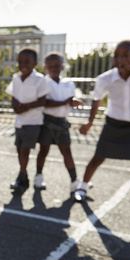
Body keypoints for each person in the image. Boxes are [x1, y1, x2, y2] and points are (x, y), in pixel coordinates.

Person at [74, 40, 130, 219]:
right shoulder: (106, 78)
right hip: (113, 125)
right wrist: (90, 122)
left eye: (125, 55)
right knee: (97, 158)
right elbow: (97, 100)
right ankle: (82, 187)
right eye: (117, 56)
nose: (120, 59)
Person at [35, 52, 87, 192]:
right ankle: (38, 176)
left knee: (66, 151)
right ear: (45, 67)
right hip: (46, 121)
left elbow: (70, 101)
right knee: (44, 149)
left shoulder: (68, 84)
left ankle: (74, 181)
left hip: (61, 122)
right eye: (50, 66)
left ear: (62, 67)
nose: (54, 68)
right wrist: (66, 102)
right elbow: (45, 103)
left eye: (57, 65)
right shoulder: (42, 82)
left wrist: (73, 102)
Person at [5, 48, 51, 194]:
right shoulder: (16, 78)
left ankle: (21, 176)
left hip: (33, 121)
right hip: (19, 121)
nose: (23, 65)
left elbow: (43, 100)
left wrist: (27, 107)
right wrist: (16, 108)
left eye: (27, 62)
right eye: (20, 61)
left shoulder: (40, 79)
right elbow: (13, 97)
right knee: (19, 150)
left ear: (35, 63)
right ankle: (23, 177)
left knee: (25, 150)